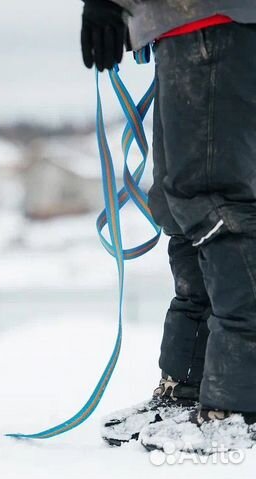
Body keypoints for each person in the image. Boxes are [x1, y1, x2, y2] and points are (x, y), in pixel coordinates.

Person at [80, 0, 256, 453]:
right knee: (183, 206)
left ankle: (240, 406)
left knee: (212, 202)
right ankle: (192, 390)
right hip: (186, 26)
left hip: (214, 19)